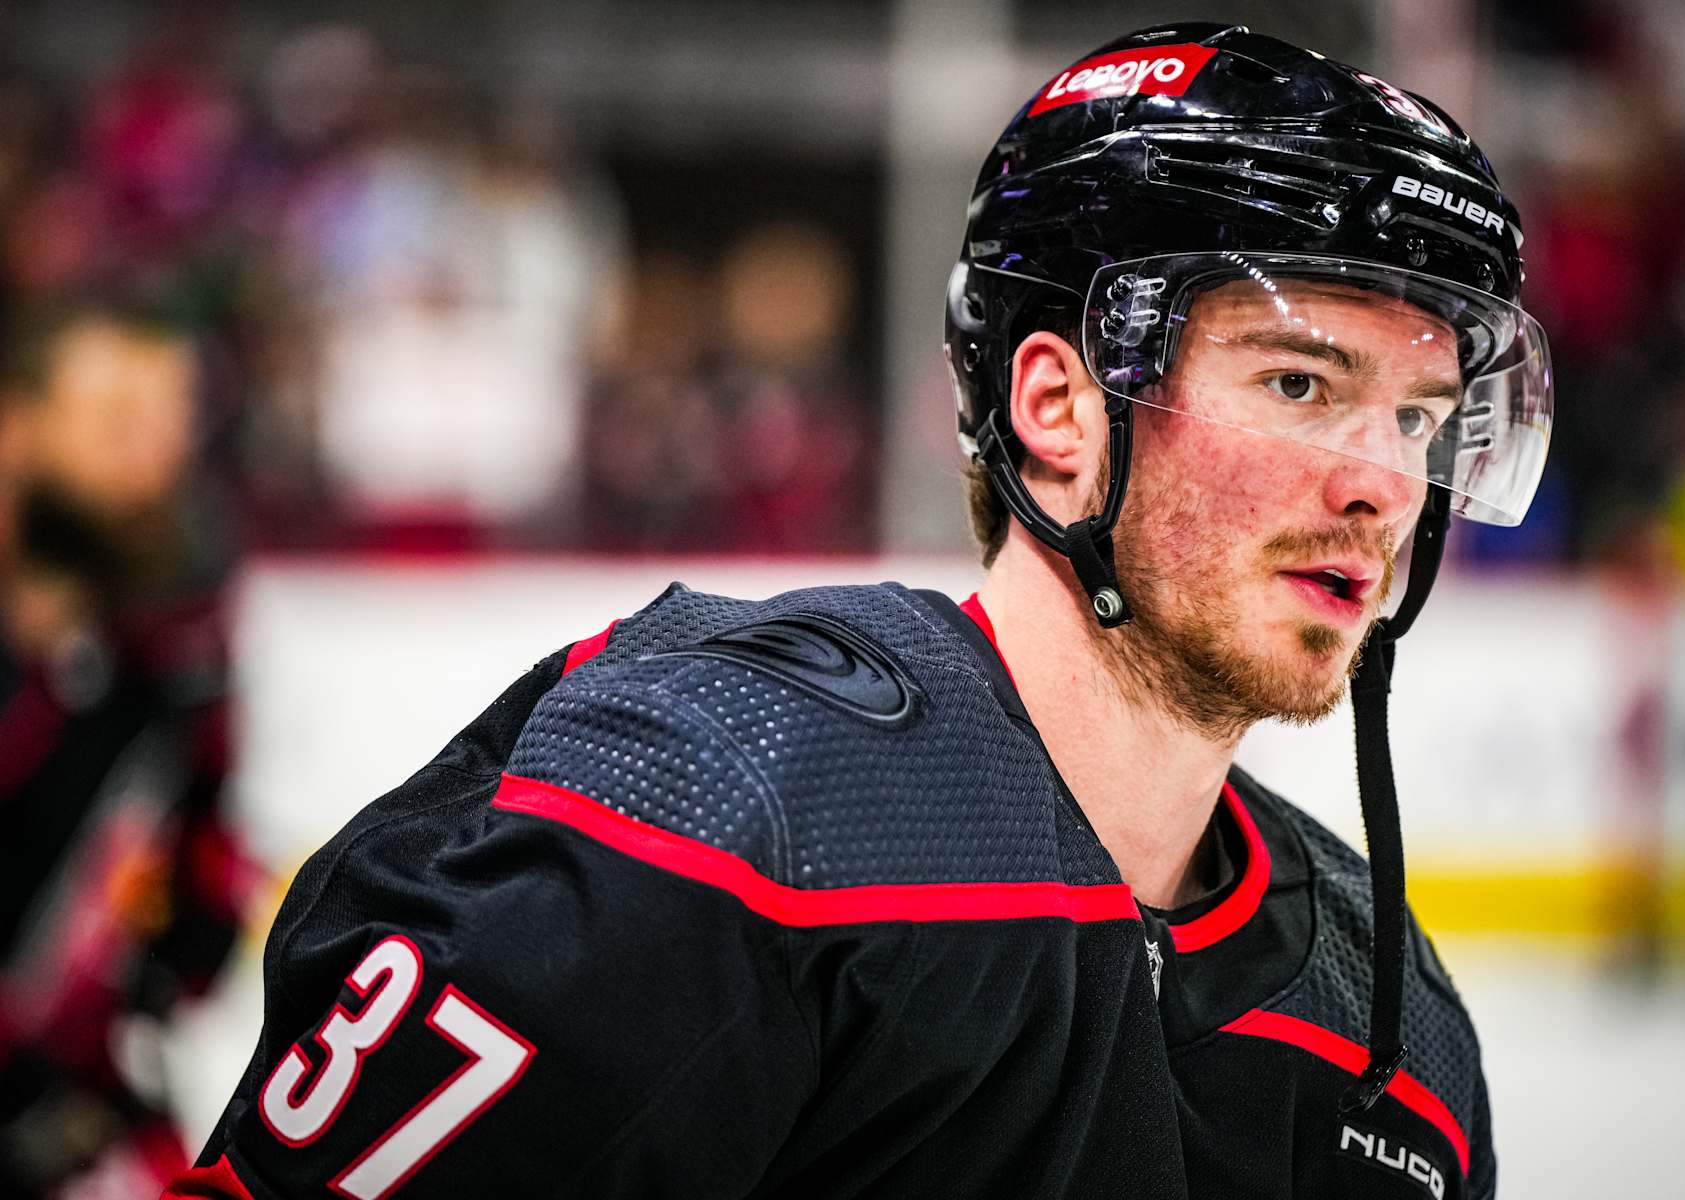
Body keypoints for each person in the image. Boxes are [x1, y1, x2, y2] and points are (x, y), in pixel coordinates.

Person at [168, 23, 1551, 1200]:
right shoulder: (720, 803)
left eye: (1419, 416)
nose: (1383, 485)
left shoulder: (1398, 1038)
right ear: (1060, 410)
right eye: (1300, 385)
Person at [0, 296, 254, 1196]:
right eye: (117, 424)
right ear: (16, 433)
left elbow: (197, 878)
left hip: (90, 1122)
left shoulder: (173, 658)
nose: (156, 461)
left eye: (172, 426)